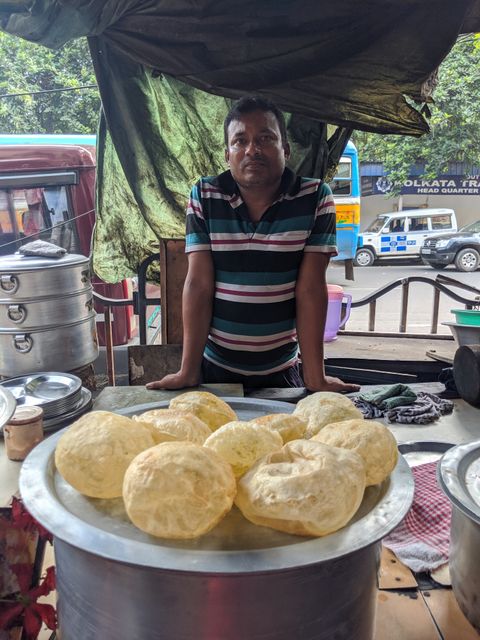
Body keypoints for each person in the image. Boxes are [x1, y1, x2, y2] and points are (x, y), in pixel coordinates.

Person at [147, 96, 359, 394]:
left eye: (265, 138)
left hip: (283, 372)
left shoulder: (314, 198)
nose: (252, 150)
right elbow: (199, 285)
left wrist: (315, 378)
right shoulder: (206, 195)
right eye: (240, 141)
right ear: (227, 153)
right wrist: (188, 371)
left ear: (285, 149)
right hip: (215, 372)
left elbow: (310, 289)